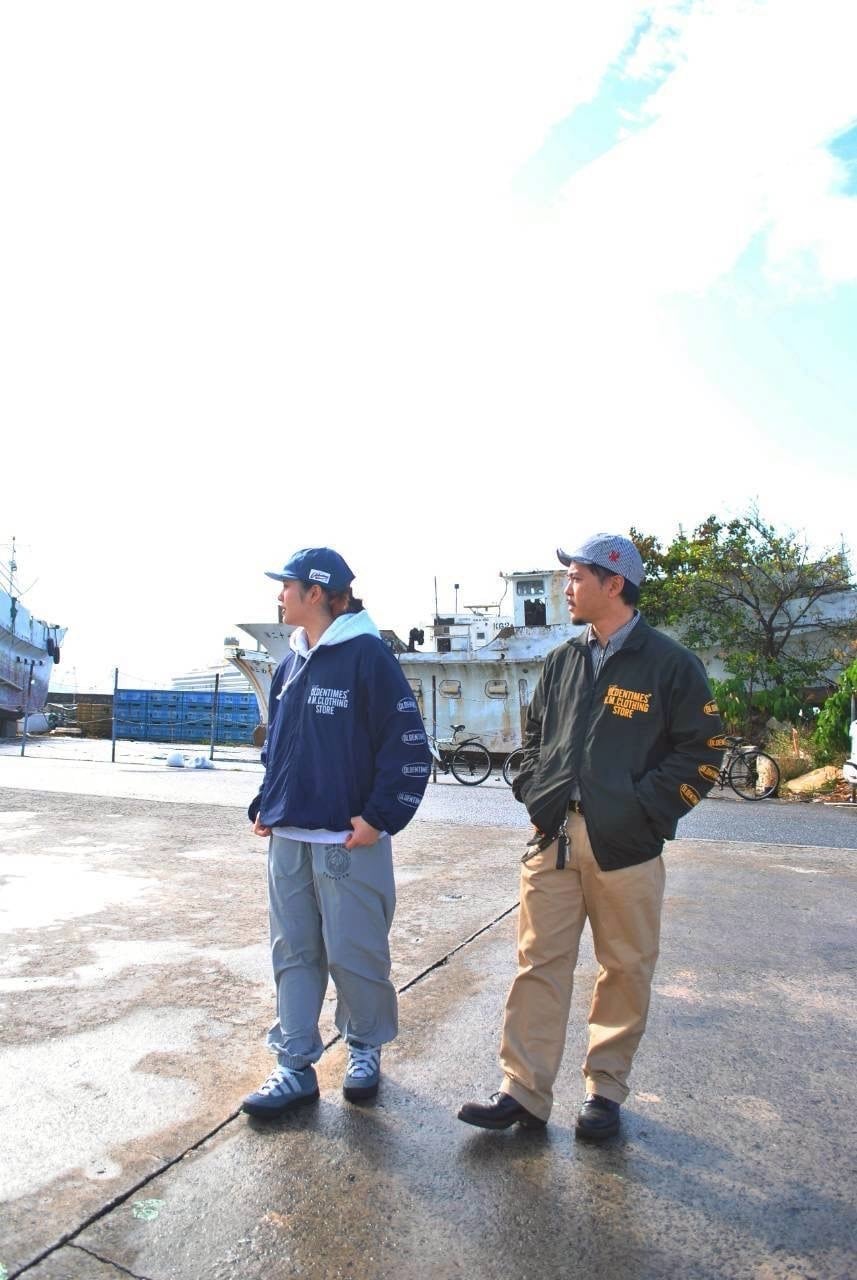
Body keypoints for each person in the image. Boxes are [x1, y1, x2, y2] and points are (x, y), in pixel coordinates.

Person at [458, 533, 724, 1140]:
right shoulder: (562, 661)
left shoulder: (670, 664)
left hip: (626, 847)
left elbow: (704, 750)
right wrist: (535, 793)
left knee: (624, 968)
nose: (567, 588)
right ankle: (523, 1091)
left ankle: (604, 1090)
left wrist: (642, 811)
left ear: (614, 583)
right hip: (553, 837)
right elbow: (532, 740)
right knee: (537, 965)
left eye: (576, 577)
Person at [243, 547, 431, 1118]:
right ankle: (294, 1064)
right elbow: (278, 746)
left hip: (348, 841)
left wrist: (378, 818)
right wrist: (266, 802)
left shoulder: (368, 657)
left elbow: (408, 748)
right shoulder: (290, 663)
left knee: (356, 953)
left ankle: (365, 1047)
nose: (279, 595)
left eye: (288, 585)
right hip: (289, 837)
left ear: (317, 593)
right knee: (293, 952)